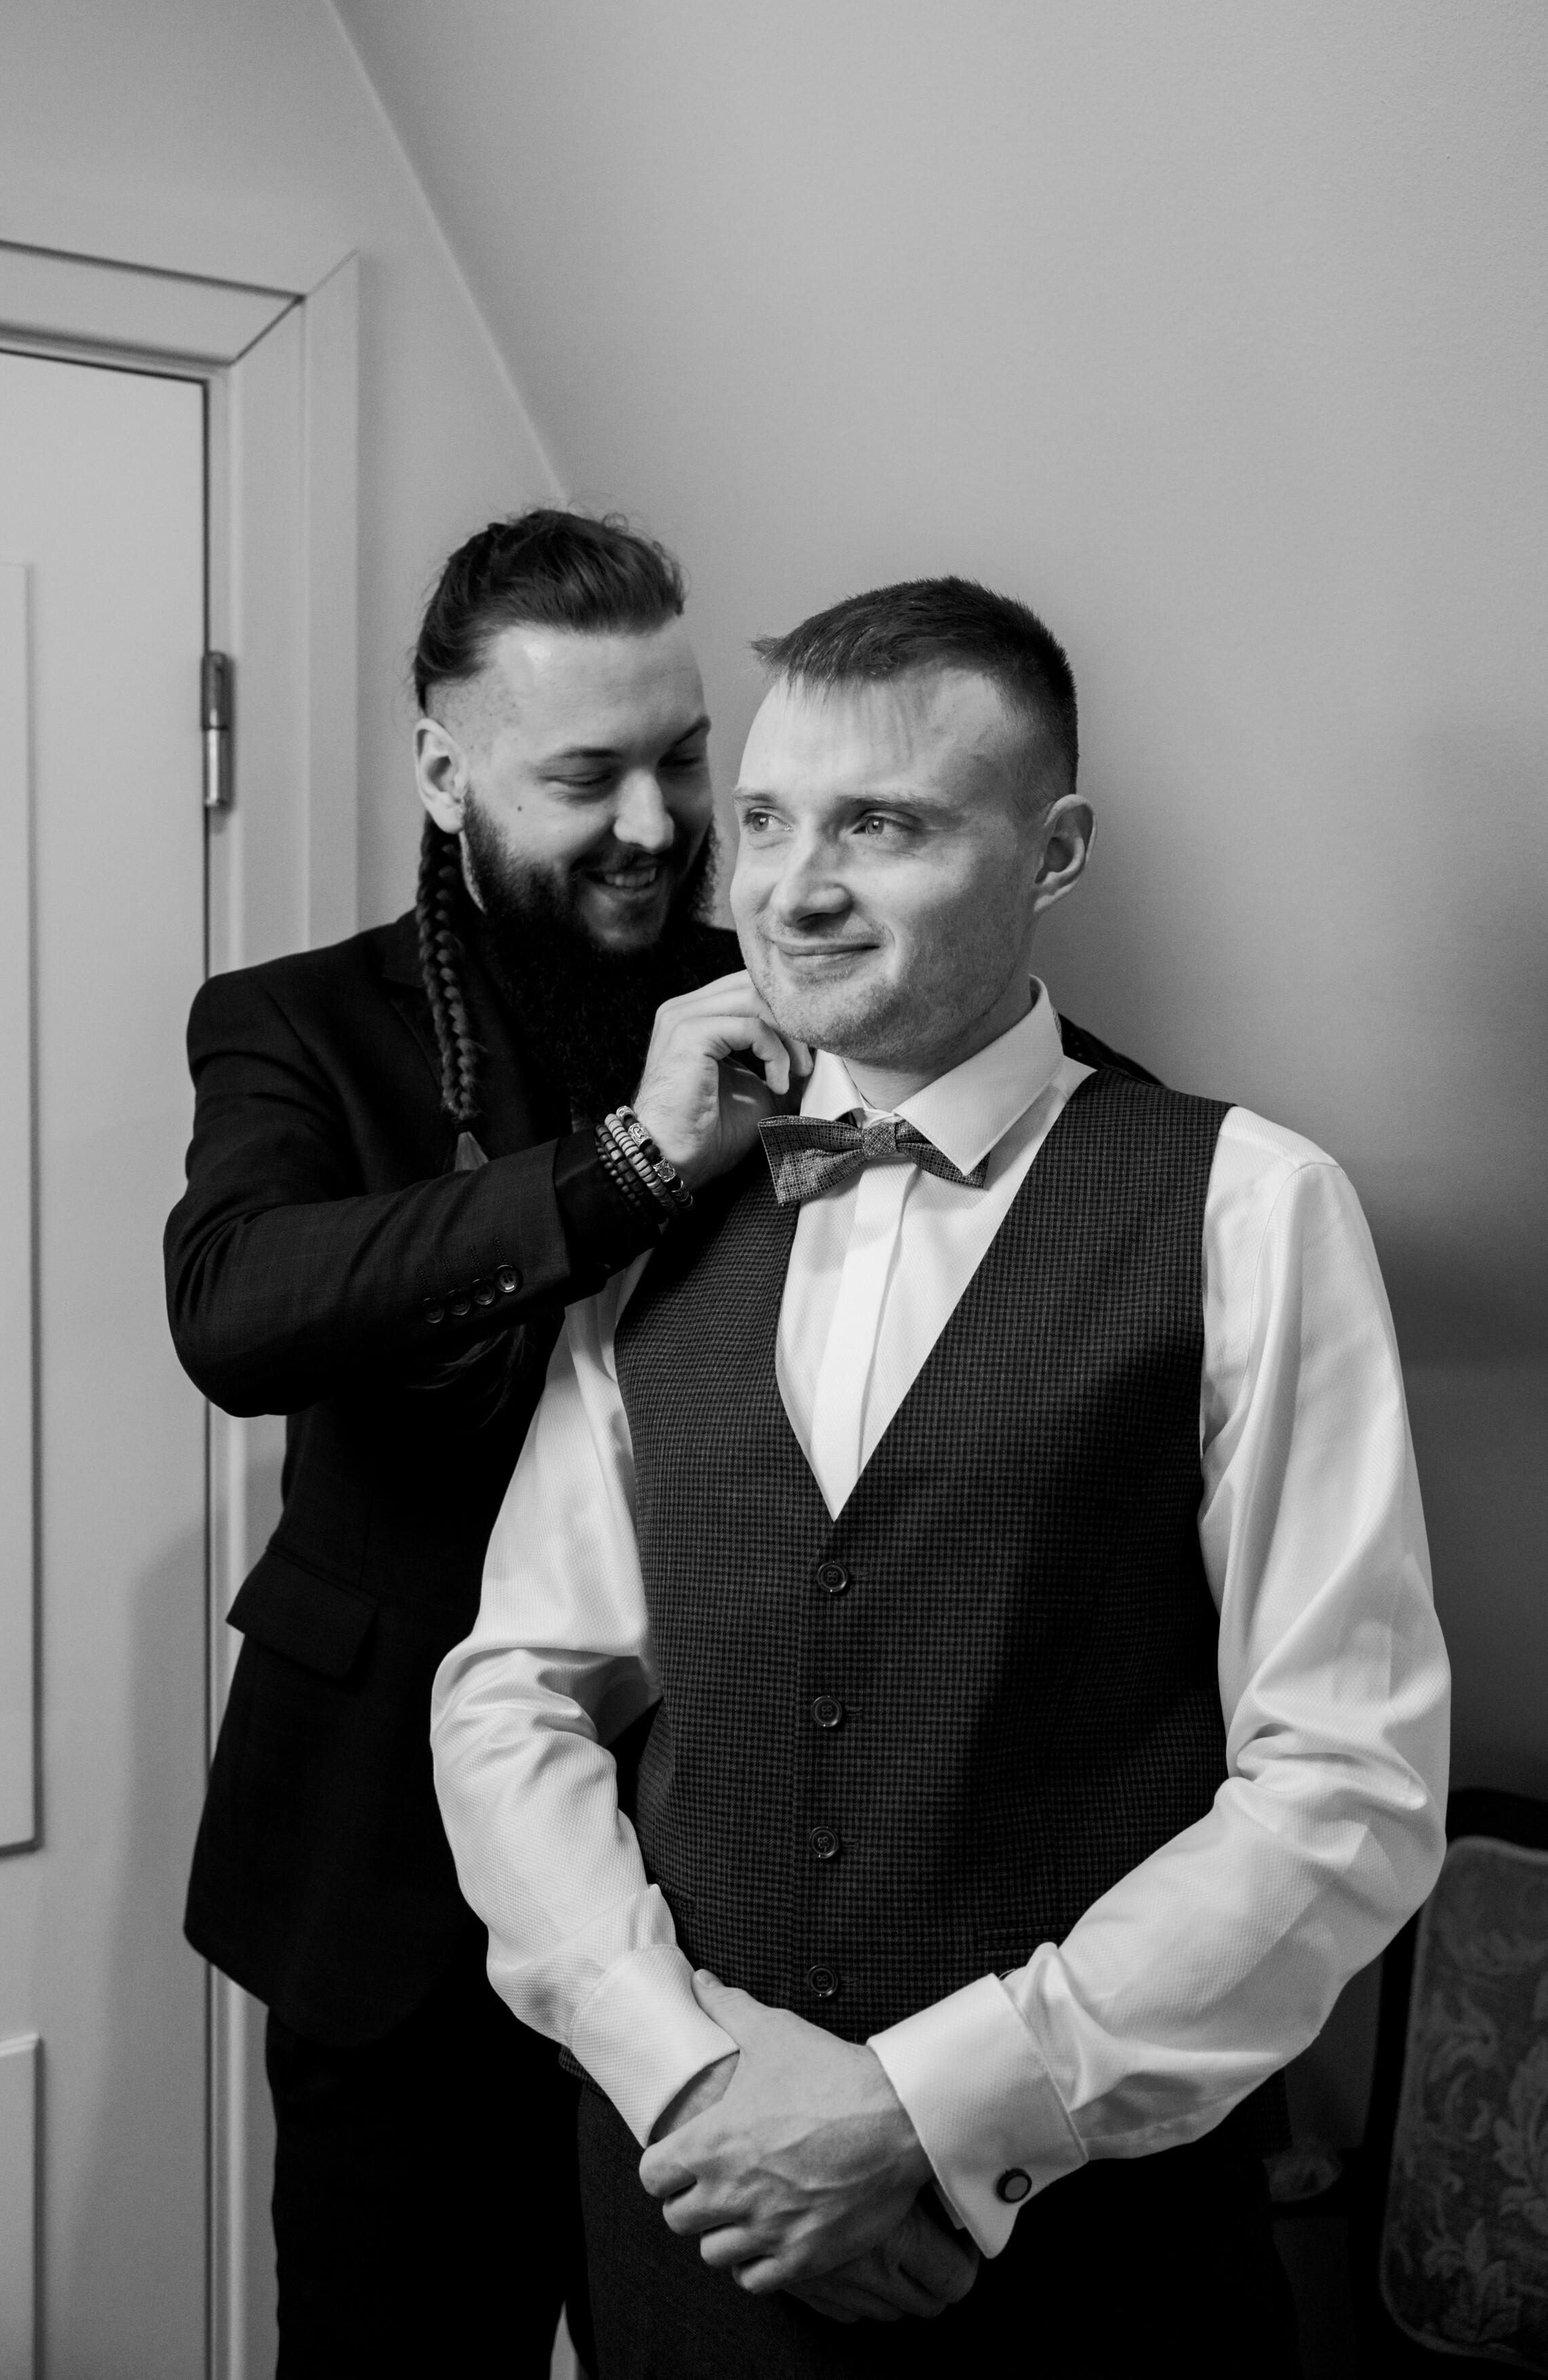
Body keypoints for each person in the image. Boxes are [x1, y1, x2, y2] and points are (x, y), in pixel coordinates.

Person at [431, 575, 1451, 2375]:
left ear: (1053, 853)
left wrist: (921, 2111)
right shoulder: (667, 1205)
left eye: (883, 825)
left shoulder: (1254, 1205)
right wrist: (694, 2077)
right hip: (692, 2239)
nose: (791, 888)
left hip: (1091, 2274)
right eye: (765, 820)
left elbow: (1345, 1782)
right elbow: (518, 1690)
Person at [165, 509, 800, 2374]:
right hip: (387, 1896)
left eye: (682, 757)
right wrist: (627, 1165)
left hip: (727, 1878)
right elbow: (236, 1305)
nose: (655, 825)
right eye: (586, 776)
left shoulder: (772, 992)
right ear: (445, 772)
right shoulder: (291, 1022)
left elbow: (1050, 1110)